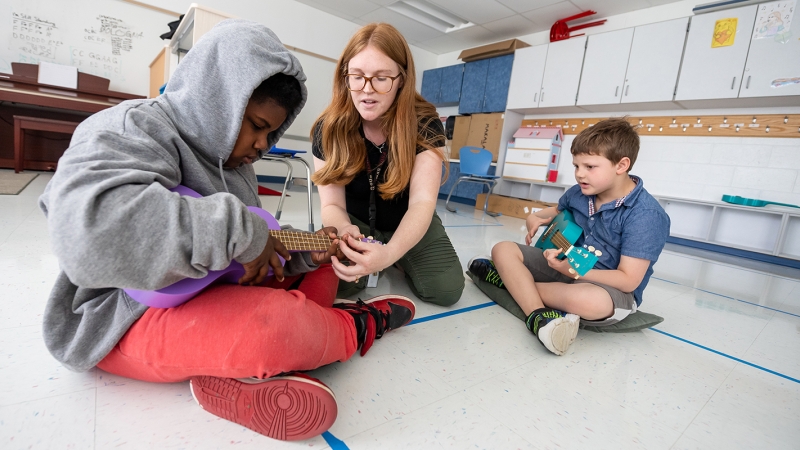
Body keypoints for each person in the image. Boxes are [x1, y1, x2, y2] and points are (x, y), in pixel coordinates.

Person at [38, 19, 416, 442]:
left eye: (272, 133)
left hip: (207, 293)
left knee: (328, 266)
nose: (262, 145)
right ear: (216, 99)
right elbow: (88, 235)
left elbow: (250, 252)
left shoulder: (239, 168)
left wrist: (309, 253)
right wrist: (245, 233)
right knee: (274, 325)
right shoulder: (133, 128)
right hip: (125, 315)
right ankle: (352, 327)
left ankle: (254, 362)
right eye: (255, 125)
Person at [471, 118, 670, 356]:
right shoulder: (580, 192)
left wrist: (574, 272)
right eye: (576, 166)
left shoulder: (646, 215)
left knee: (591, 302)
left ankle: (512, 283)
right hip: (567, 264)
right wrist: (536, 217)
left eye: (589, 167)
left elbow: (628, 280)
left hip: (609, 289)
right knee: (503, 248)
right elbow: (555, 211)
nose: (579, 174)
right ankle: (539, 316)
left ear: (621, 165)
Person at [311, 23, 463, 307]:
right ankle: (383, 257)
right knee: (334, 287)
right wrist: (344, 229)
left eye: (381, 78)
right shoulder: (327, 128)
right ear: (345, 77)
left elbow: (421, 204)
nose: (367, 90)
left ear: (402, 79)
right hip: (354, 221)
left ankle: (398, 259)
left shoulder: (425, 124)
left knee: (446, 290)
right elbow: (331, 206)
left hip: (405, 220)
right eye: (356, 77)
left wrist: (391, 252)